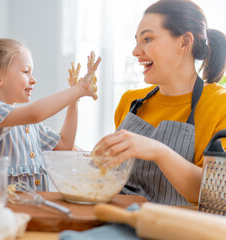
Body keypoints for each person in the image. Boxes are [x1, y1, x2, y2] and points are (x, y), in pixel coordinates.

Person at [92, 0, 226, 206]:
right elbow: (115, 176)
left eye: (147, 39)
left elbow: (214, 195)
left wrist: (158, 151)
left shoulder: (220, 105)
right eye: (136, 41)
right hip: (117, 219)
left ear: (184, 42)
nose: (136, 51)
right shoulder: (130, 102)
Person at [0, 38, 101, 191]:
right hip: (1, 211)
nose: (33, 80)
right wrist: (78, 89)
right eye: (26, 72)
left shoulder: (28, 124)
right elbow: (35, 113)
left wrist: (74, 101)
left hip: (33, 210)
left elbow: (65, 144)